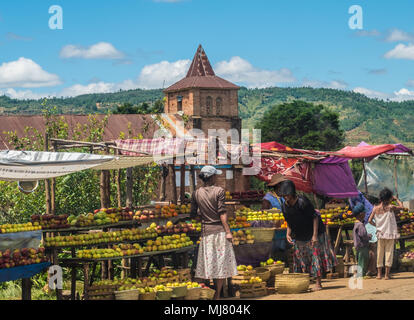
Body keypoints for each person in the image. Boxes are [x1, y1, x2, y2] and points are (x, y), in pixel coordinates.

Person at [279, 180, 337, 291]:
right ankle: (304, 283)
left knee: (314, 257)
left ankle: (318, 283)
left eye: (288, 195)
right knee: (300, 259)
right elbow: (289, 222)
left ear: (292, 193)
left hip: (313, 232)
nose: (286, 197)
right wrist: (288, 234)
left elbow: (314, 217)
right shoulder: (284, 207)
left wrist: (314, 236)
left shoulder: (302, 202)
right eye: (284, 195)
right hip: (300, 234)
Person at [190, 165, 237, 299]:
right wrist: (228, 231)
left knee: (208, 263)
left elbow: (193, 214)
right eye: (215, 175)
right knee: (220, 264)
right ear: (212, 177)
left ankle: (205, 293)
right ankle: (216, 295)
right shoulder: (219, 191)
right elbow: (222, 213)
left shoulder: (196, 193)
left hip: (206, 233)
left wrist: (204, 217)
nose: (217, 177)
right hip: (219, 232)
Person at [368, 188, 402, 280]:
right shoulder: (391, 207)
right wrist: (397, 199)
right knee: (389, 253)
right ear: (389, 198)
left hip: (380, 234)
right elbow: (401, 207)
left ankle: (379, 275)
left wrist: (377, 226)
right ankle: (386, 275)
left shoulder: (375, 208)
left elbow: (369, 220)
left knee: (379, 253)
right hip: (390, 234)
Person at [352, 203, 372, 277]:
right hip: (362, 246)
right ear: (361, 214)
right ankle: (361, 275)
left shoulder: (356, 224)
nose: (365, 214)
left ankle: (359, 274)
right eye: (364, 213)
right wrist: (369, 236)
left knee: (360, 260)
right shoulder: (360, 225)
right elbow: (363, 235)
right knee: (363, 260)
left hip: (358, 246)